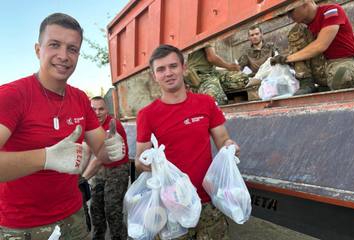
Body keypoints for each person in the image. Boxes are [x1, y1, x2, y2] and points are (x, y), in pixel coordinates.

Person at [0, 13, 125, 240]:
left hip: (73, 218)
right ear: (38, 50)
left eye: (72, 49)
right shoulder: (12, 95)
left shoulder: (78, 98)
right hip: (22, 227)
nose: (63, 56)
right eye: (54, 45)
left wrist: (112, 147)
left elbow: (101, 151)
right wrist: (46, 158)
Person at [135, 44, 240, 239]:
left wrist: (230, 147)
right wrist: (148, 160)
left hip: (208, 202)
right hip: (171, 205)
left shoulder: (206, 103)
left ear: (184, 68)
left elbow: (223, 139)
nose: (168, 73)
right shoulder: (147, 115)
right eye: (161, 69)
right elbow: (140, 162)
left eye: (173, 66)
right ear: (154, 76)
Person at [271, 0, 354, 94]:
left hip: (343, 61)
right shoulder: (299, 30)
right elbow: (301, 52)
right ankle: (307, 83)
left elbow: (320, 46)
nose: (289, 16)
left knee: (342, 77)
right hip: (320, 68)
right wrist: (283, 59)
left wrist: (288, 58)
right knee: (296, 33)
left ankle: (330, 88)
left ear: (305, 3)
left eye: (291, 11)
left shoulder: (331, 11)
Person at [82, 96, 129, 240]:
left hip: (117, 168)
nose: (97, 113)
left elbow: (99, 159)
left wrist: (82, 179)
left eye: (101, 109)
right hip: (100, 171)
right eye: (93, 109)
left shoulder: (113, 125)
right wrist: (77, 174)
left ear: (107, 110)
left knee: (112, 209)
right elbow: (87, 150)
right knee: (95, 208)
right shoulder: (88, 125)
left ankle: (119, 237)